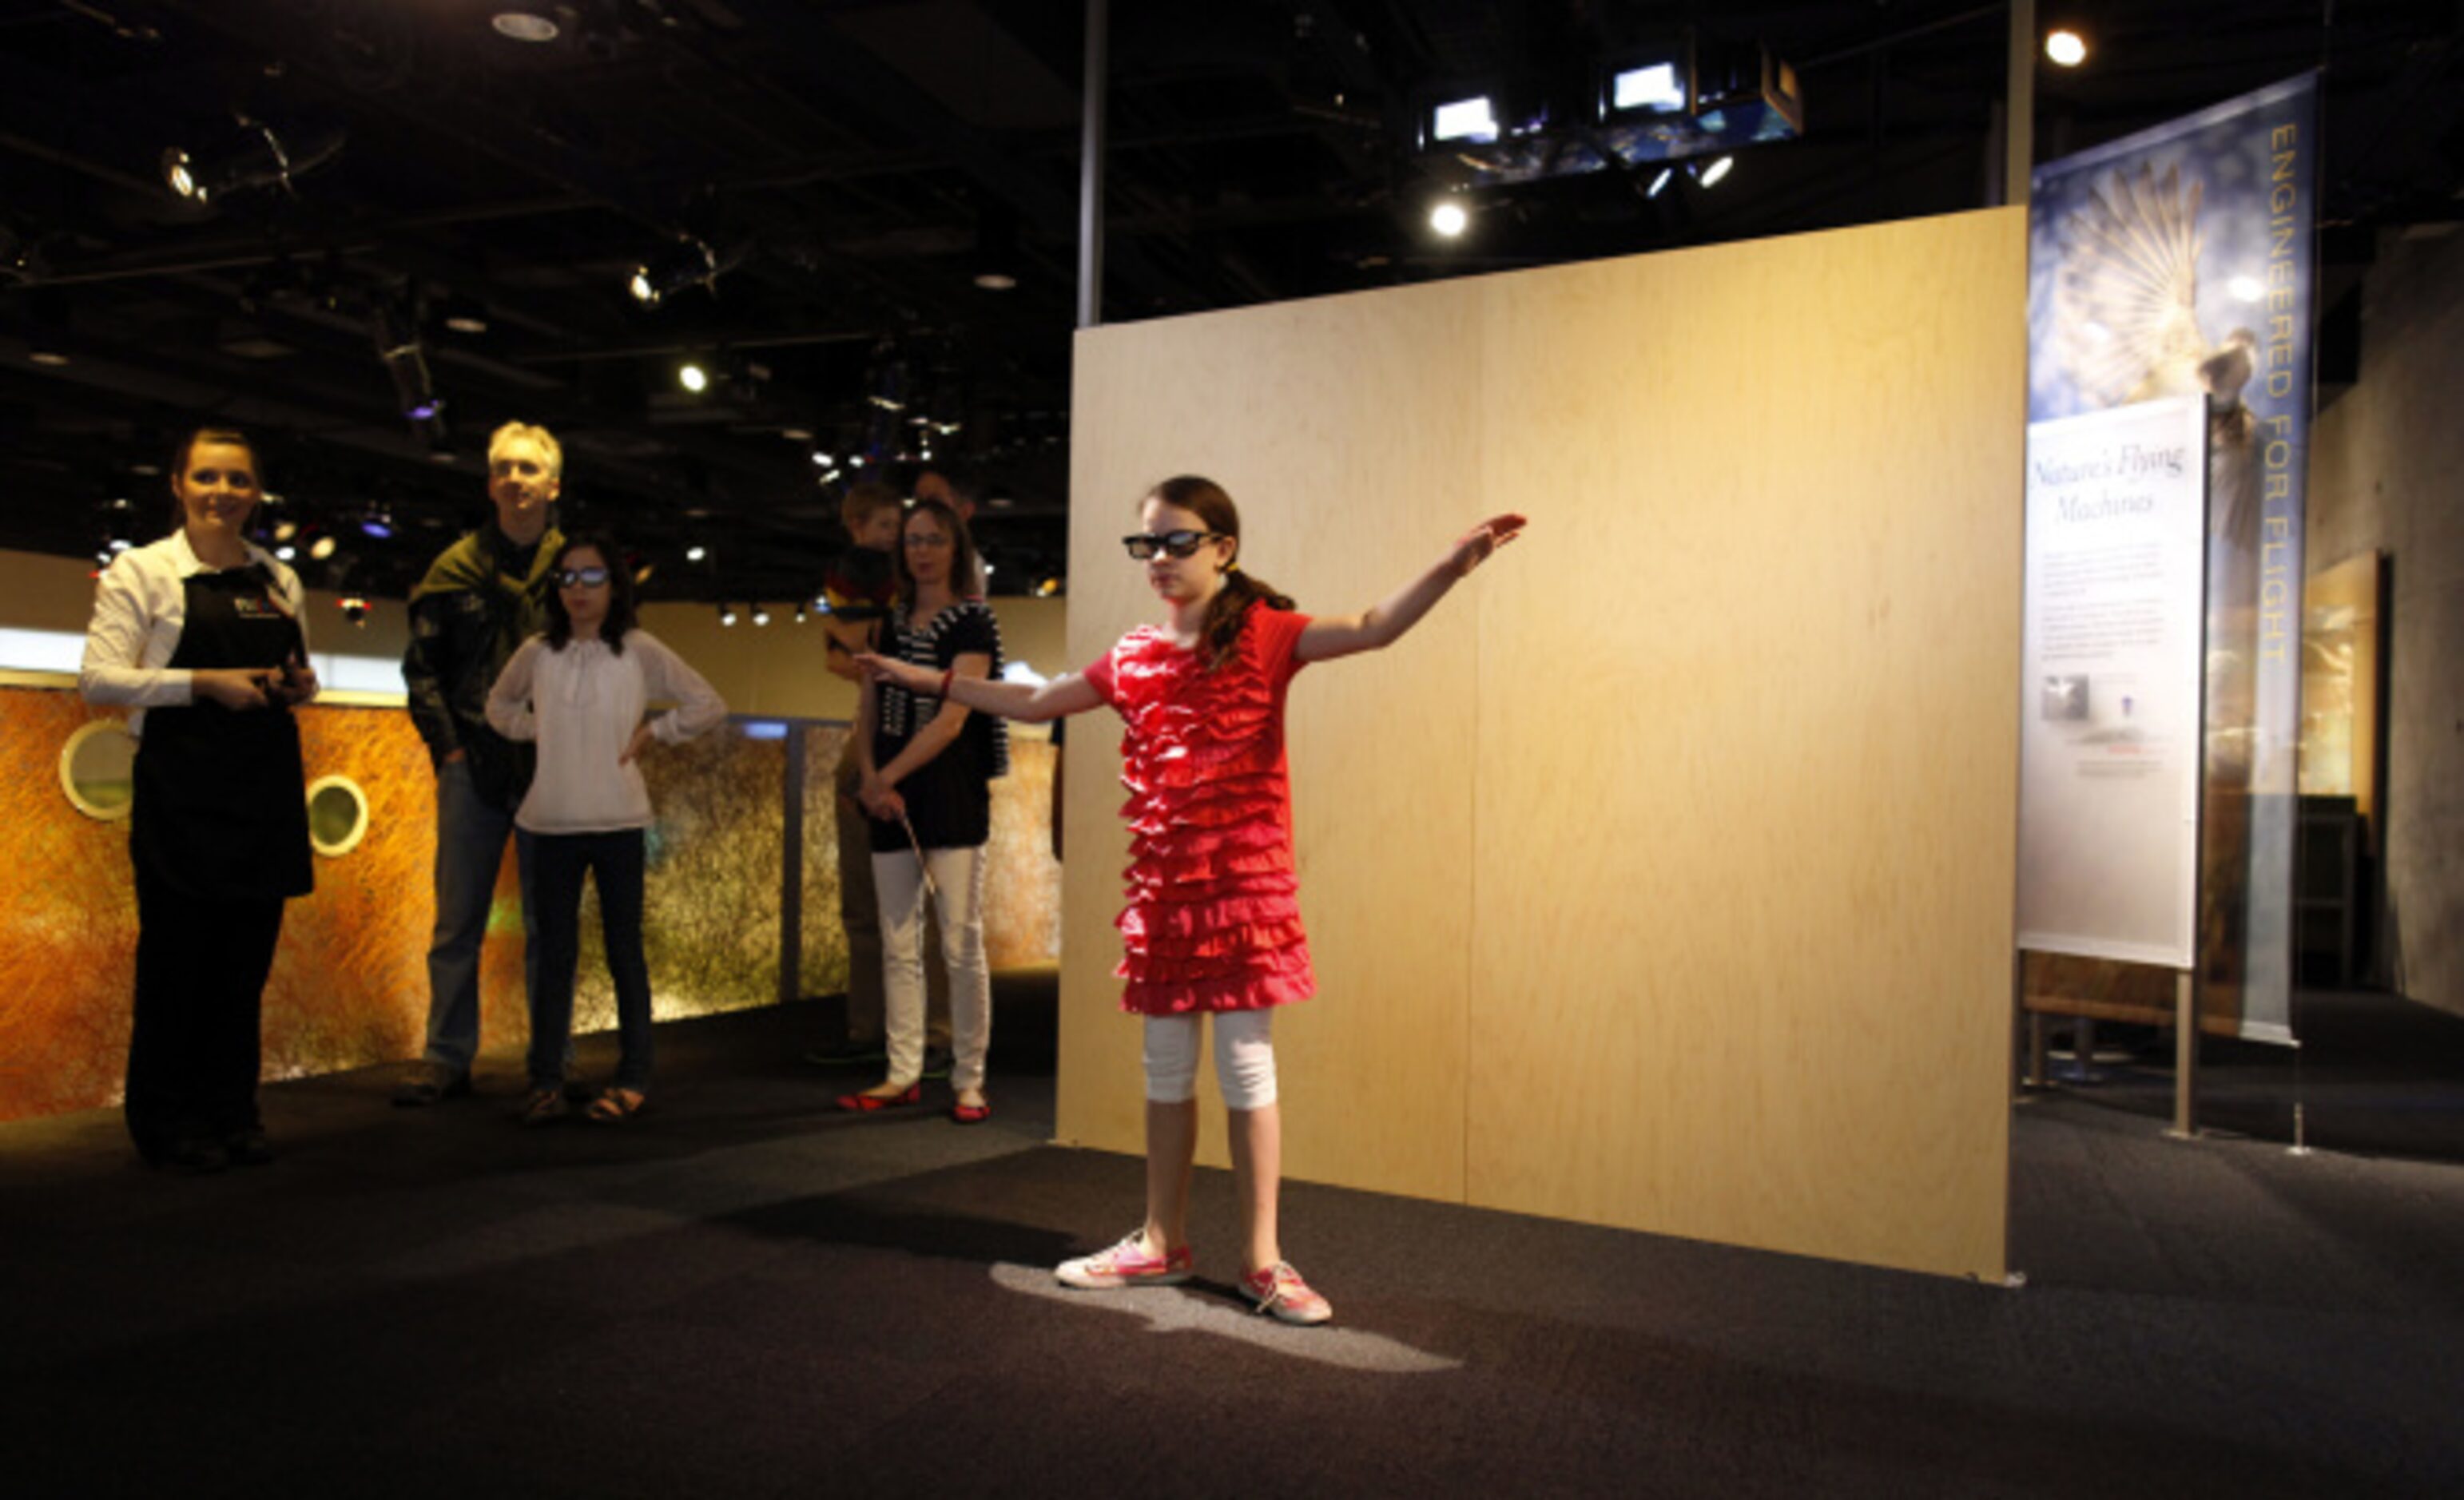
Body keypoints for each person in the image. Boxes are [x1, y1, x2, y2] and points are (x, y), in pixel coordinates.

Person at [860, 476, 1523, 1323]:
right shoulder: (1133, 655)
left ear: (1224, 548)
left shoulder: (1268, 634)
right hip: (1166, 897)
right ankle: (1160, 1242)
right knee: (1166, 1068)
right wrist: (924, 678)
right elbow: (1034, 699)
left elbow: (1370, 628)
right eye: (1148, 545)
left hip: (1246, 893)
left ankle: (1261, 1262)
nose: (1161, 560)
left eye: (1178, 542)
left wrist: (1450, 567)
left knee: (1248, 1068)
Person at [79, 427, 318, 1172]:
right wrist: (204, 685)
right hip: (182, 790)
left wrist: (298, 688)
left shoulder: (279, 579)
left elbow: (294, 671)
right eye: (208, 478)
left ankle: (232, 1109)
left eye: (238, 480)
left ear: (256, 492)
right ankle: (164, 1120)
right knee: (177, 965)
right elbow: (99, 679)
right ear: (178, 486)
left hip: (263, 786)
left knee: (244, 967)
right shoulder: (142, 573)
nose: (223, 493)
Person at [485, 534, 727, 1124]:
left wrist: (656, 733)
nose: (578, 589)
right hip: (548, 822)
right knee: (554, 957)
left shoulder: (638, 649)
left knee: (626, 954)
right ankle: (544, 1078)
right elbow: (496, 706)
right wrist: (536, 731)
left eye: (592, 577)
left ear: (614, 585)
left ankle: (633, 1077)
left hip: (620, 821)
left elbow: (708, 703)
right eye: (567, 578)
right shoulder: (538, 651)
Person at [395, 421, 565, 1106]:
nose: (515, 480)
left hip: (553, 770)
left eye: (528, 468)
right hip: (472, 763)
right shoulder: (451, 570)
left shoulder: (579, 572)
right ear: (489, 481)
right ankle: (446, 1056)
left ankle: (550, 1059)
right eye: (503, 468)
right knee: (456, 922)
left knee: (548, 925)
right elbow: (421, 671)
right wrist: (451, 750)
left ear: (553, 484)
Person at [840, 498, 1006, 1123]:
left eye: (935, 539)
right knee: (898, 939)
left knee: (961, 943)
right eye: (913, 539)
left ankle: (969, 1079)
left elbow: (954, 717)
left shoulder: (973, 622)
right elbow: (865, 707)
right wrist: (870, 778)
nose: (923, 550)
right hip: (886, 791)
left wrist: (887, 776)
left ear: (955, 548)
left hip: (950, 792)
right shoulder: (887, 622)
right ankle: (902, 1070)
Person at [807, 481, 952, 1072]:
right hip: (870, 745)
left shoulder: (933, 599)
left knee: (934, 902)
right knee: (864, 906)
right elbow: (840, 655)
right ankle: (870, 1026)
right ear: (860, 527)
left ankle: (939, 1034)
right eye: (894, 529)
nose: (905, 543)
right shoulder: (855, 587)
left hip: (921, 747)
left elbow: (861, 658)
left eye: (916, 533)